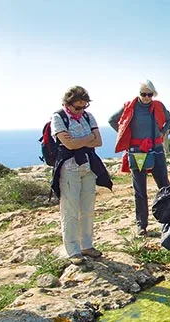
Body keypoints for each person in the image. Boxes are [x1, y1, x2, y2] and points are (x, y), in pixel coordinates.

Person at [51, 86, 113, 265]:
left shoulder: (88, 116)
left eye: (84, 107)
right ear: (67, 104)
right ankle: (73, 250)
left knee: (87, 208)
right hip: (69, 168)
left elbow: (99, 141)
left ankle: (87, 245)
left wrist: (78, 141)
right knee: (70, 210)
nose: (81, 111)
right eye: (77, 107)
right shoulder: (58, 118)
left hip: (88, 166)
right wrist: (87, 140)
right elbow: (68, 145)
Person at [109, 80, 170, 236]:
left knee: (164, 186)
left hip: (156, 149)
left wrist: (163, 131)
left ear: (153, 94)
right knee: (140, 190)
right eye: (143, 94)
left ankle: (169, 219)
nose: (146, 97)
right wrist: (125, 133)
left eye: (149, 94)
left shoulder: (158, 106)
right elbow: (112, 120)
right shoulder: (129, 106)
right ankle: (141, 225)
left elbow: (169, 120)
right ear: (138, 93)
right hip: (137, 151)